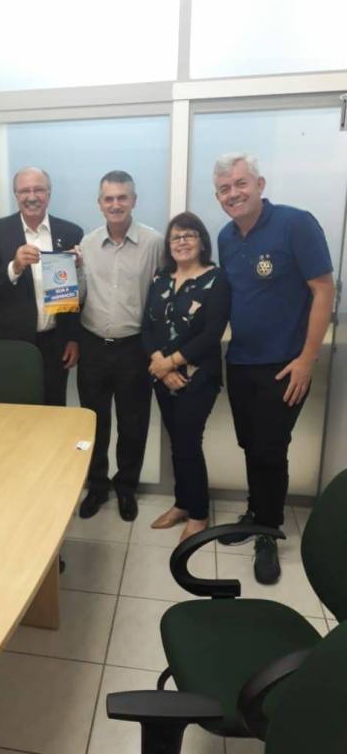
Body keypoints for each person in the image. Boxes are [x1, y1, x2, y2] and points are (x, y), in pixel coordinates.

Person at [213, 152, 334, 584]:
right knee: (251, 445)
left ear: (260, 184)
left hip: (284, 366)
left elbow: (324, 291)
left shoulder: (295, 224)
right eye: (224, 189)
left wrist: (307, 359)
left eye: (240, 184)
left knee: (270, 449)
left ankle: (268, 532)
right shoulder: (226, 237)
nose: (233, 194)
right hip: (240, 361)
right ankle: (255, 511)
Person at [77, 170, 163, 521]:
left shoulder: (154, 243)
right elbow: (77, 296)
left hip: (134, 349)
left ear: (133, 201)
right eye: (109, 198)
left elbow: (165, 293)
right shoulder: (86, 244)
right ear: (100, 203)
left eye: (122, 197)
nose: (115, 204)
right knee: (93, 424)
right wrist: (69, 271)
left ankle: (126, 487)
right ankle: (97, 486)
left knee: (133, 424)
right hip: (93, 346)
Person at [142, 212, 231, 542]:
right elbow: (147, 326)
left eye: (189, 235)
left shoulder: (216, 279)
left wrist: (170, 363)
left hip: (198, 377)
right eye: (176, 237)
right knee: (176, 441)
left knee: (188, 443)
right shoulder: (160, 278)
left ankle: (198, 514)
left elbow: (211, 334)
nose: (181, 242)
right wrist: (160, 364)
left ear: (202, 242)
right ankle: (181, 503)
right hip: (163, 376)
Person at [0, 167, 83, 406]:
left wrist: (73, 338)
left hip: (55, 344)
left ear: (49, 193)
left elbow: (72, 296)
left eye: (39, 190)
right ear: (16, 195)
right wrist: (14, 267)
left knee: (53, 410)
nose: (32, 197)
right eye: (25, 191)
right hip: (12, 344)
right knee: (14, 412)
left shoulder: (71, 232)